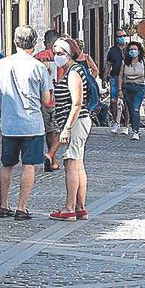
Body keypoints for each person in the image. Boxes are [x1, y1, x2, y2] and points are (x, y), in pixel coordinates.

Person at [0, 25, 54, 222]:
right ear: (34, 44)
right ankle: (22, 208)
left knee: (6, 164)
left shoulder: (2, 64)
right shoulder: (38, 67)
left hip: (9, 123)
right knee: (28, 165)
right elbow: (45, 100)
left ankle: (3, 205)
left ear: (15, 42)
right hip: (32, 123)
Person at [49, 37, 92, 221]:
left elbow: (77, 103)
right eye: (55, 53)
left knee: (71, 164)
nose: (57, 57)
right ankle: (80, 207)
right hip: (77, 122)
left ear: (70, 54)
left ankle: (69, 209)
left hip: (76, 122)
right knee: (78, 164)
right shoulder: (70, 71)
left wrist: (66, 128)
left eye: (60, 54)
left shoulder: (73, 72)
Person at [34, 29, 61, 164]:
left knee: (48, 131)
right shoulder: (62, 57)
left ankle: (52, 157)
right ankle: (52, 156)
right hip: (59, 99)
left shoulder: (37, 58)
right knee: (59, 131)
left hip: (42, 99)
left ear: (45, 42)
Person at [121, 40, 145, 140]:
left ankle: (136, 131)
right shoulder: (124, 63)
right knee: (130, 110)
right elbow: (120, 76)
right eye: (131, 49)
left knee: (135, 109)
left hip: (139, 88)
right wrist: (119, 90)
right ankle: (132, 126)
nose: (133, 51)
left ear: (139, 51)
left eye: (135, 49)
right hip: (127, 87)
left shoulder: (144, 63)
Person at [105, 28, 130, 132]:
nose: (122, 38)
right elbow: (108, 64)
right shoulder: (113, 50)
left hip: (127, 78)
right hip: (114, 78)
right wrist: (105, 76)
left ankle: (126, 125)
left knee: (126, 103)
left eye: (123, 36)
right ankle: (116, 122)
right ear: (116, 38)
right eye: (120, 36)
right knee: (114, 101)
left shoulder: (130, 49)